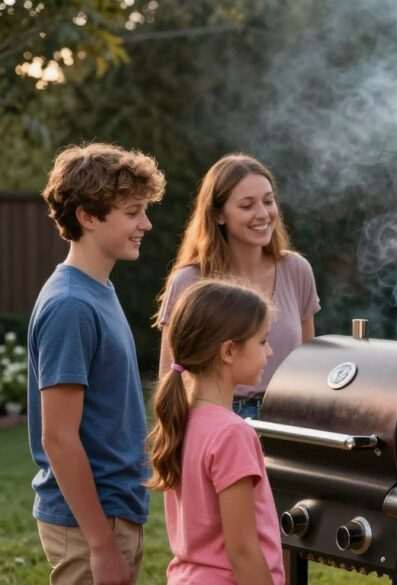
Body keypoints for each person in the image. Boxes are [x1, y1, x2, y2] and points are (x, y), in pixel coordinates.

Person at [28, 142, 166, 585]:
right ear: (88, 216)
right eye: (132, 212)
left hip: (115, 510)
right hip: (91, 522)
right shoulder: (71, 305)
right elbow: (59, 438)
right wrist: (101, 545)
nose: (145, 223)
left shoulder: (97, 290)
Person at [156, 154, 320, 418]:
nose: (263, 214)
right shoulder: (189, 281)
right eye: (247, 205)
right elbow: (171, 375)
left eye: (268, 201)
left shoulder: (296, 270)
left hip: (289, 419)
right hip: (218, 419)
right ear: (219, 215)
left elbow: (309, 363)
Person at [147, 279, 284, 585]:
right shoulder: (233, 434)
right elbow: (243, 552)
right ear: (229, 351)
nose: (270, 352)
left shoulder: (183, 419)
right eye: (262, 341)